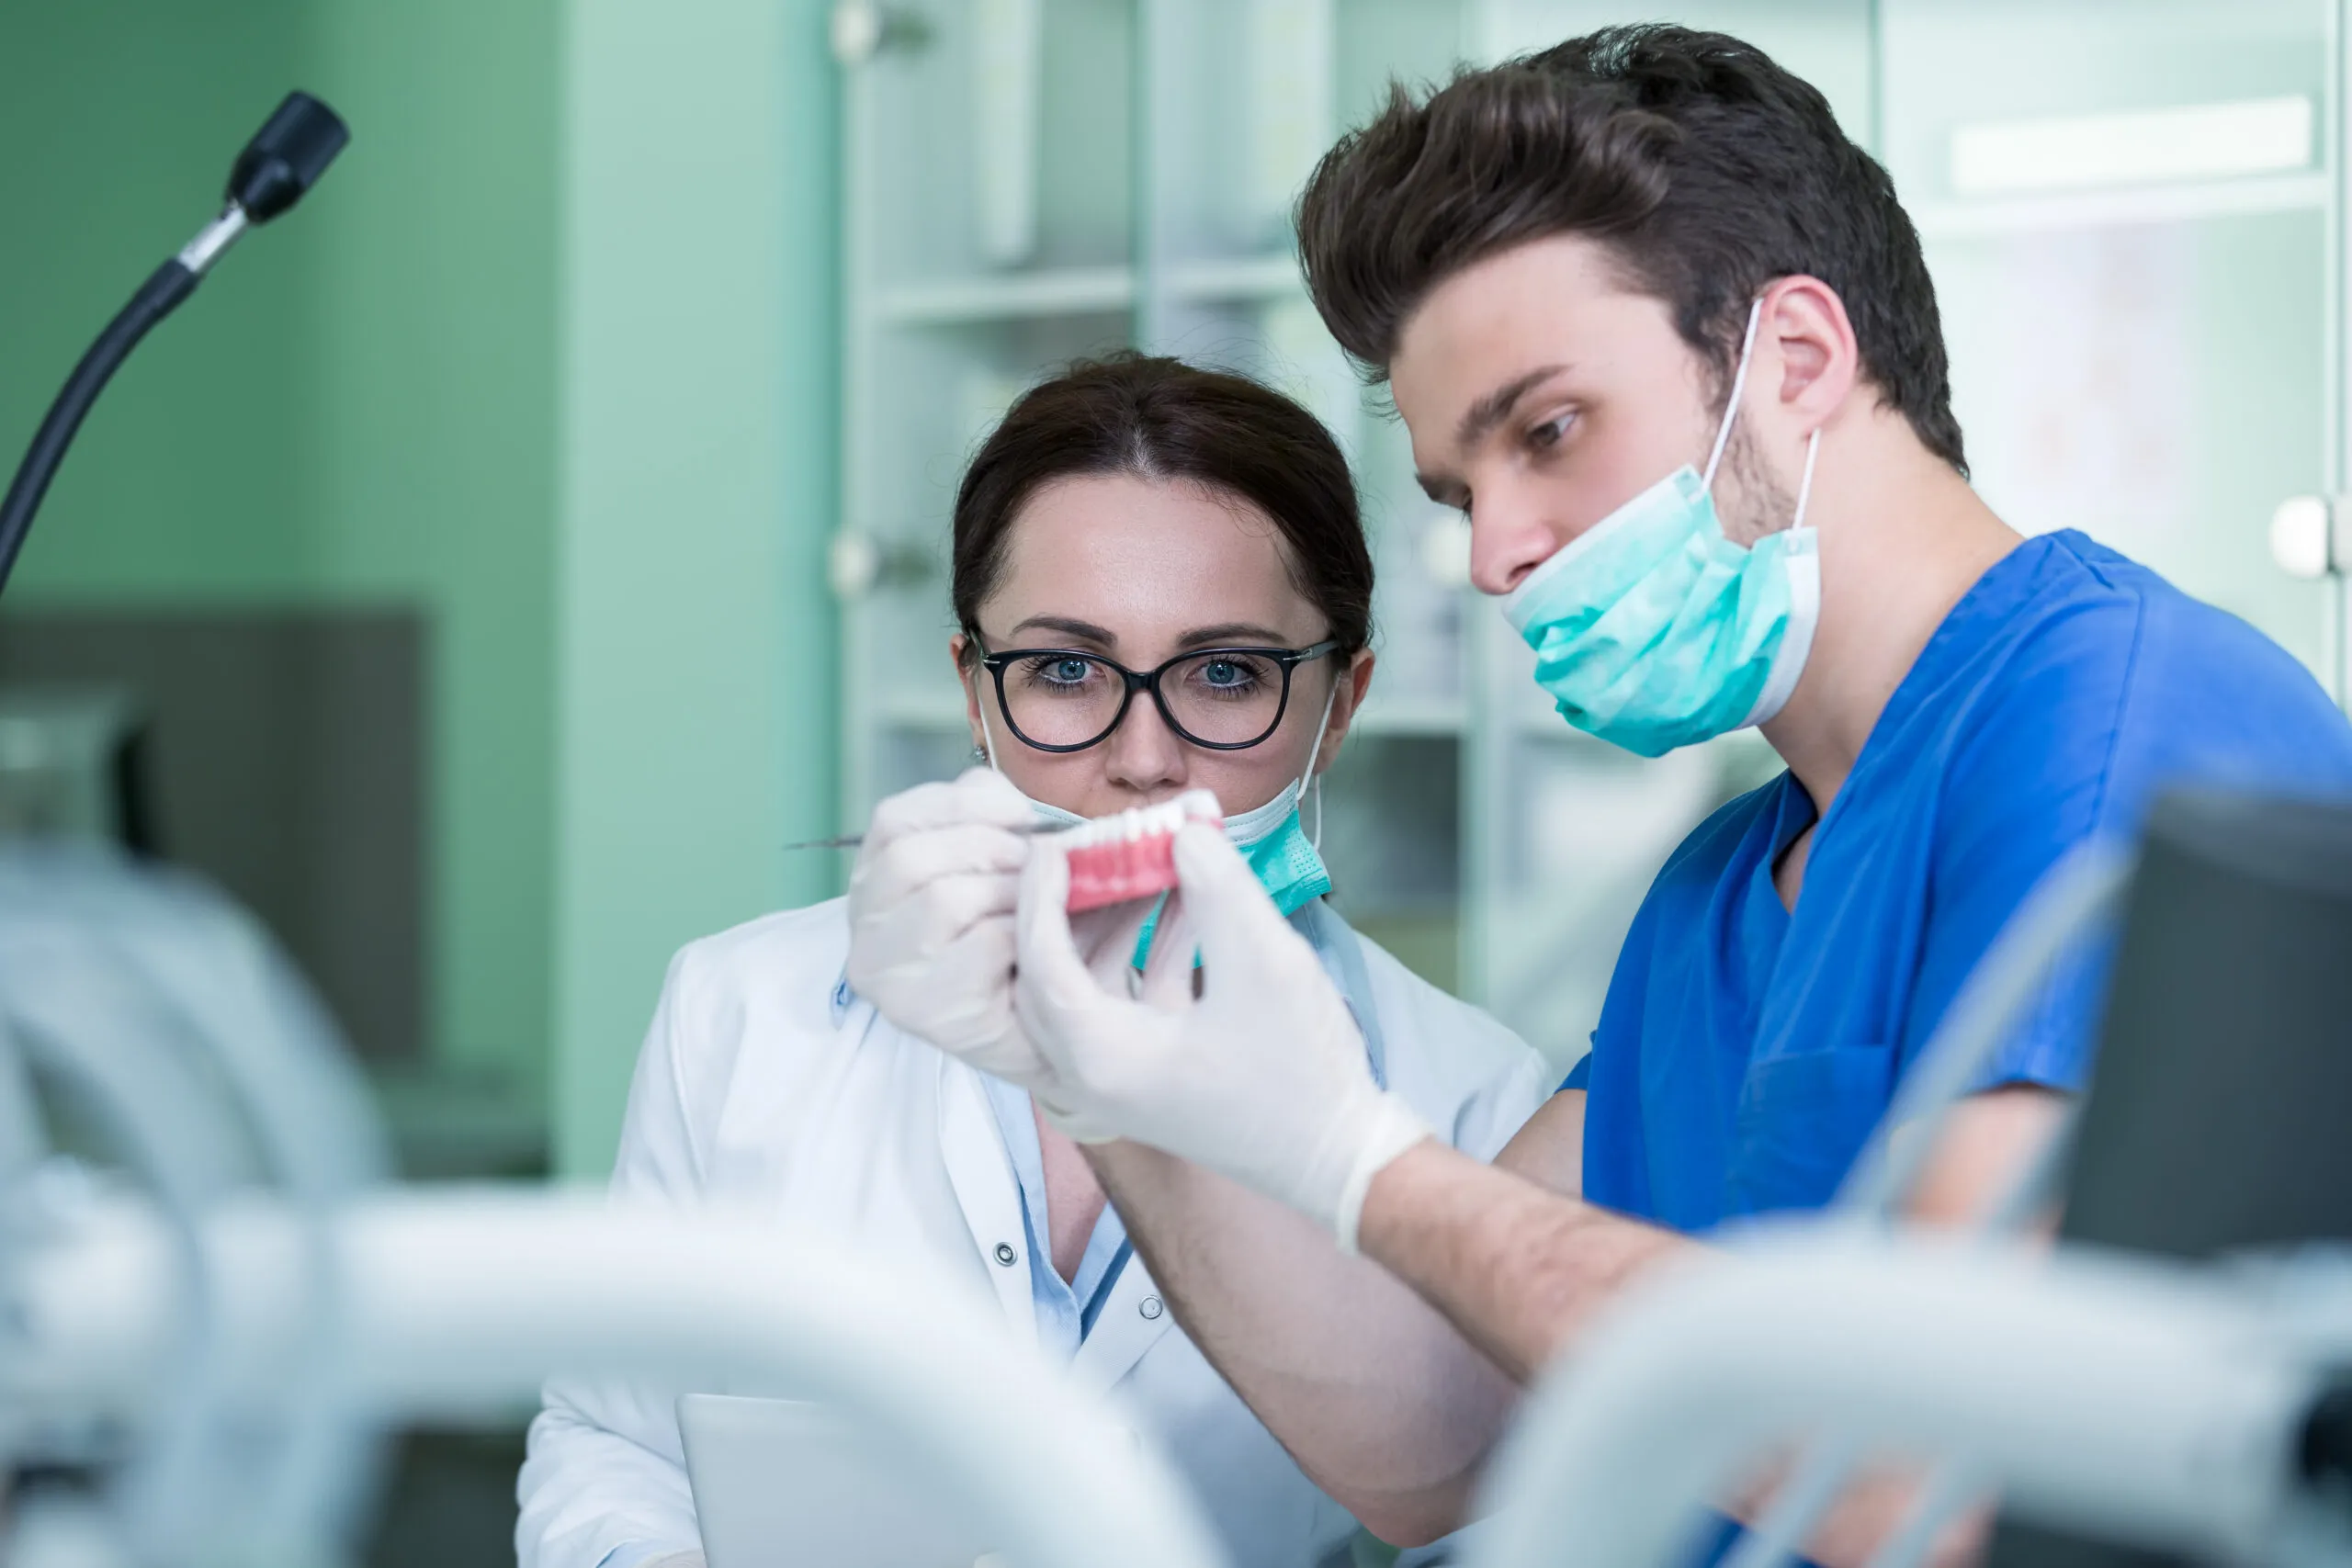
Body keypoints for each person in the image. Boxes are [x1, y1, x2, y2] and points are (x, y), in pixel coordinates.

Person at [849, 26, 2352, 1568]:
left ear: (1797, 360)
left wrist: (1367, 1158)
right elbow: (1432, 1440)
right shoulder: (1718, 895)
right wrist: (1101, 1072)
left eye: (1547, 430)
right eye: (1457, 490)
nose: (1493, 549)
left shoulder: (2121, 726)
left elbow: (1938, 1468)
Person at [514, 355, 1550, 1568]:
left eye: (1228, 673)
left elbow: (1492, 1529)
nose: (1145, 759)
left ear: (1342, 701)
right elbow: (614, 1439)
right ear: (974, 687)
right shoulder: (741, 1010)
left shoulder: (1477, 1101)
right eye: (1065, 670)